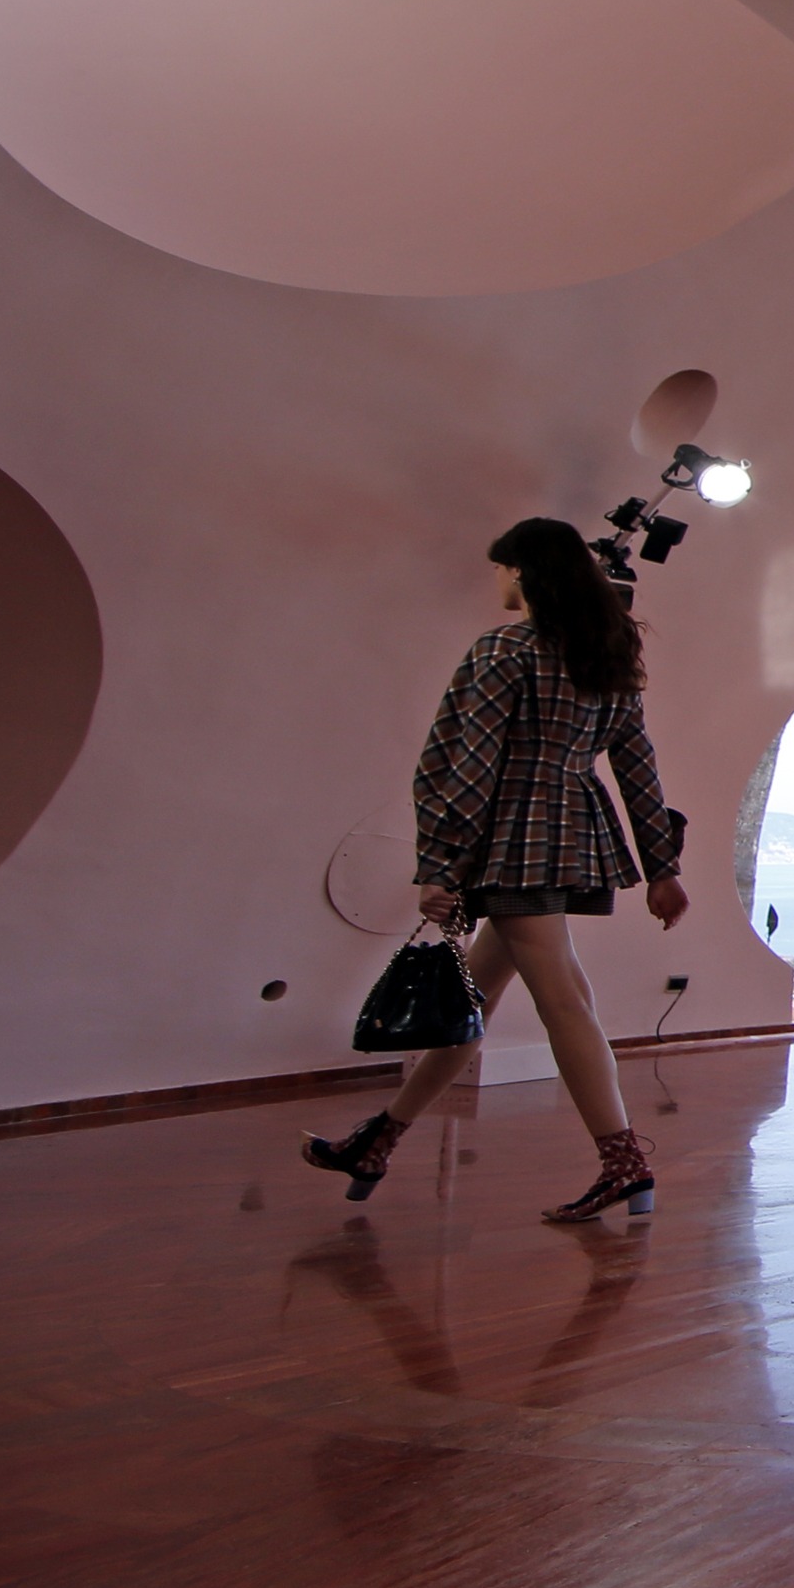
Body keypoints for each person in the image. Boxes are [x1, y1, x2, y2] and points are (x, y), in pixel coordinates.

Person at [304, 519, 689, 1222]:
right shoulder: (609, 655)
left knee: (563, 1001)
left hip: (512, 838)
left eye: (501, 568)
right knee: (470, 1001)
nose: (498, 581)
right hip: (576, 832)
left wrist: (440, 865)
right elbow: (638, 767)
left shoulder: (504, 651)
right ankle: (378, 1140)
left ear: (523, 571)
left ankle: (624, 1162)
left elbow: (458, 766)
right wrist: (661, 865)